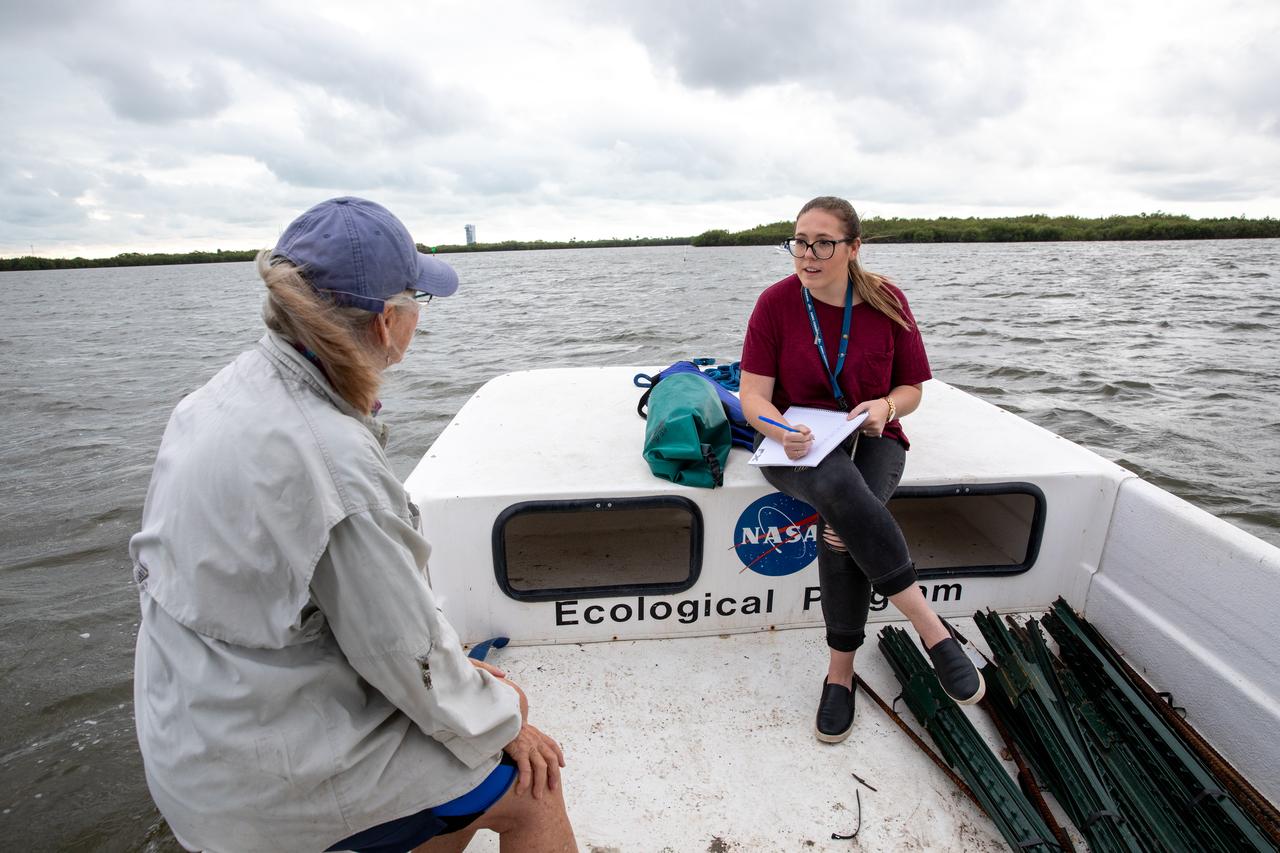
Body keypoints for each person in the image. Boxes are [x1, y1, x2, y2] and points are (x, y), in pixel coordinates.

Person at [129, 197, 577, 852]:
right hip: (258, 779)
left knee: (468, 724)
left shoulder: (215, 397)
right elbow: (406, 654)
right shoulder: (332, 458)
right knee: (528, 780)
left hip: (189, 738)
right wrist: (504, 719)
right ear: (387, 321)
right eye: (420, 297)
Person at [739, 196, 984, 744]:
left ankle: (839, 674)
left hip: (872, 435)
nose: (807, 254)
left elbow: (911, 389)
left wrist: (885, 408)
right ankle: (932, 629)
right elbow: (752, 396)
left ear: (853, 248)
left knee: (841, 528)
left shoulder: (886, 299)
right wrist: (779, 429)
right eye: (799, 241)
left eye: (822, 242)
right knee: (836, 488)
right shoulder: (775, 304)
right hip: (795, 444)